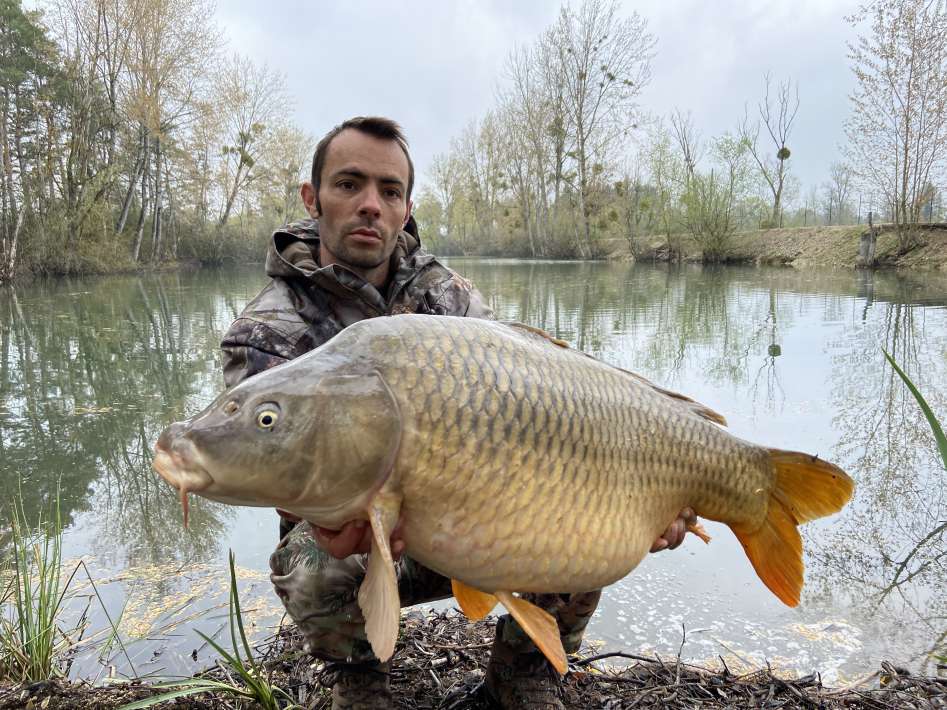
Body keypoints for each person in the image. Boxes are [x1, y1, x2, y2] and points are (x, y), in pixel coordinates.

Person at [220, 116, 698, 710]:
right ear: (312, 198)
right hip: (352, 538)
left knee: (580, 514)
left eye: (389, 191)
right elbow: (275, 468)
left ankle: (522, 672)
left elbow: (534, 402)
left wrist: (640, 496)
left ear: (406, 208)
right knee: (314, 569)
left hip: (474, 515)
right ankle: (359, 678)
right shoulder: (268, 328)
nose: (370, 204)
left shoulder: (450, 299)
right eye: (349, 184)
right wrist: (340, 519)